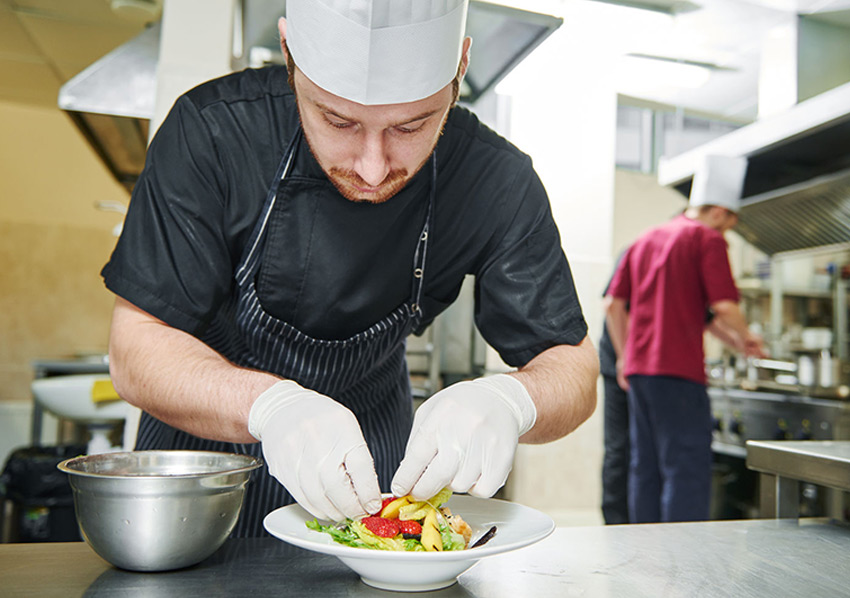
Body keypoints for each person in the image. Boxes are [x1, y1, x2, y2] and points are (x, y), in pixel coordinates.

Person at [101, 0, 597, 537]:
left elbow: (572, 366)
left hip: (371, 483)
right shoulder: (215, 132)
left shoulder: (496, 179)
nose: (372, 165)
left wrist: (512, 400)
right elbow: (136, 348)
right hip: (202, 489)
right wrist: (270, 407)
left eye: (412, 126)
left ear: (460, 66)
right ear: (289, 54)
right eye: (337, 120)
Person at [603, 155, 765, 524]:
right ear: (721, 213)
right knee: (686, 466)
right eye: (728, 227)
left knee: (645, 465)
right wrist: (748, 335)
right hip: (679, 371)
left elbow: (613, 305)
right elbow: (724, 305)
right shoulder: (706, 239)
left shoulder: (645, 239)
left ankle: (643, 554)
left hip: (640, 373)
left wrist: (625, 358)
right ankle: (683, 563)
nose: (725, 235)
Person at [599, 254, 629, 525]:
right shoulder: (638, 250)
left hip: (633, 366)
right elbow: (612, 305)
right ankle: (616, 524)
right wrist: (624, 357)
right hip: (621, 366)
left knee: (632, 450)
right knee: (620, 448)